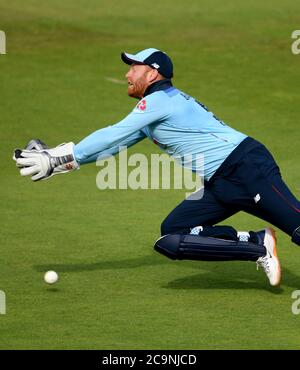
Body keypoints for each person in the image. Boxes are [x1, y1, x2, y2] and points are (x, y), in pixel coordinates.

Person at [13, 48, 300, 287]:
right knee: (173, 234)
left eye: (133, 68)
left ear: (152, 73)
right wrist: (65, 163)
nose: (127, 74)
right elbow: (114, 146)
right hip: (222, 182)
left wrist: (59, 155)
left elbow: (112, 133)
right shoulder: (155, 111)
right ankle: (257, 244)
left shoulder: (160, 100)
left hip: (247, 168)